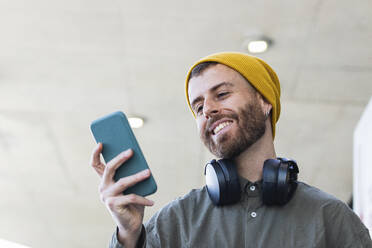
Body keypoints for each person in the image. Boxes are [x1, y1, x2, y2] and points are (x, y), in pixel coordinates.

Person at [90, 52, 372, 248]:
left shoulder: (330, 217)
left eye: (222, 94)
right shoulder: (175, 221)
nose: (208, 109)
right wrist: (128, 234)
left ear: (264, 102)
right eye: (198, 107)